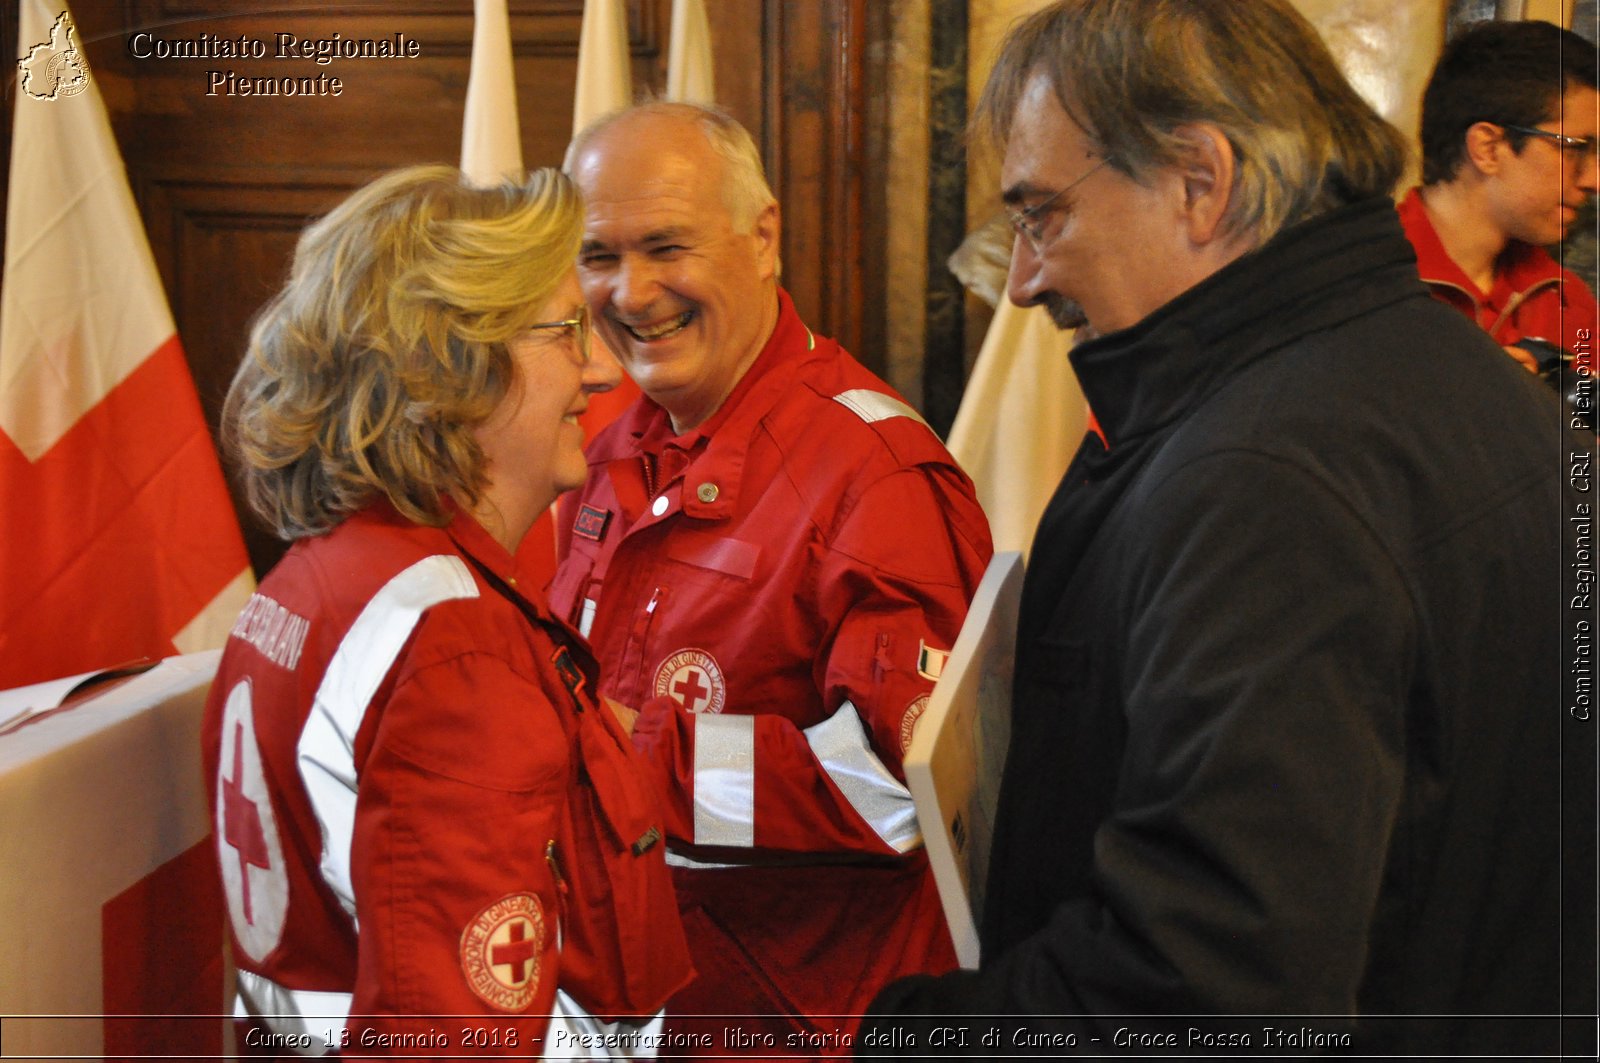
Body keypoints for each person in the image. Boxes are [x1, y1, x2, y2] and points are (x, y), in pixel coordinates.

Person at [860, 1, 1594, 1057]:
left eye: (1039, 216)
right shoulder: (1448, 374)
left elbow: (1204, 992)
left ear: (1200, 182)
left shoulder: (1262, 479)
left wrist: (893, 1037)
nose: (1022, 279)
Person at [201, 165, 692, 1058]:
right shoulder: (450, 644)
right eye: (564, 331)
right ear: (451, 364)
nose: (597, 367)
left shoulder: (315, 580)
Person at [551, 102, 993, 1050]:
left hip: (799, 1023)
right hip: (643, 1009)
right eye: (598, 256)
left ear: (762, 240)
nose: (630, 293)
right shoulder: (602, 444)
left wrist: (627, 762)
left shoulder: (873, 473)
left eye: (667, 246)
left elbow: (902, 787)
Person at [1398, 19, 1598, 382]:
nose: (1593, 180)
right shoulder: (1362, 280)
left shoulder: (1567, 301)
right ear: (1488, 148)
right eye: (1576, 149)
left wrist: (1557, 415)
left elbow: (1587, 424)